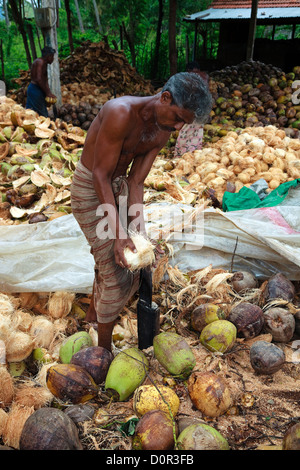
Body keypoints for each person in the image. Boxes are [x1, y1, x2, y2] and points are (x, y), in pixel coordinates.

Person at [70, 72, 212, 352]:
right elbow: (100, 175)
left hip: (119, 189)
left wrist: (141, 236)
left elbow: (136, 182)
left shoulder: (163, 129)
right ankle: (103, 352)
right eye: (179, 118)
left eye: (185, 122)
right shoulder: (119, 113)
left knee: (133, 260)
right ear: (165, 98)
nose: (180, 128)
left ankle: (92, 319)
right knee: (115, 272)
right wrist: (120, 235)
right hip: (90, 188)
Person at [174, 61, 210, 157]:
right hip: (202, 110)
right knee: (197, 133)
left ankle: (182, 155)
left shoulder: (188, 78)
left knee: (185, 133)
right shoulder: (205, 76)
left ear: (189, 70)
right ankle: (193, 155)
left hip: (191, 110)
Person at [26, 46, 57, 117]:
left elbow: (45, 81)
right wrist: (47, 93)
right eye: (52, 56)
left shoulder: (44, 63)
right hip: (35, 90)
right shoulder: (40, 62)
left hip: (38, 90)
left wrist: (49, 93)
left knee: (37, 113)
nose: (53, 59)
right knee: (38, 114)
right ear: (49, 56)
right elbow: (39, 79)